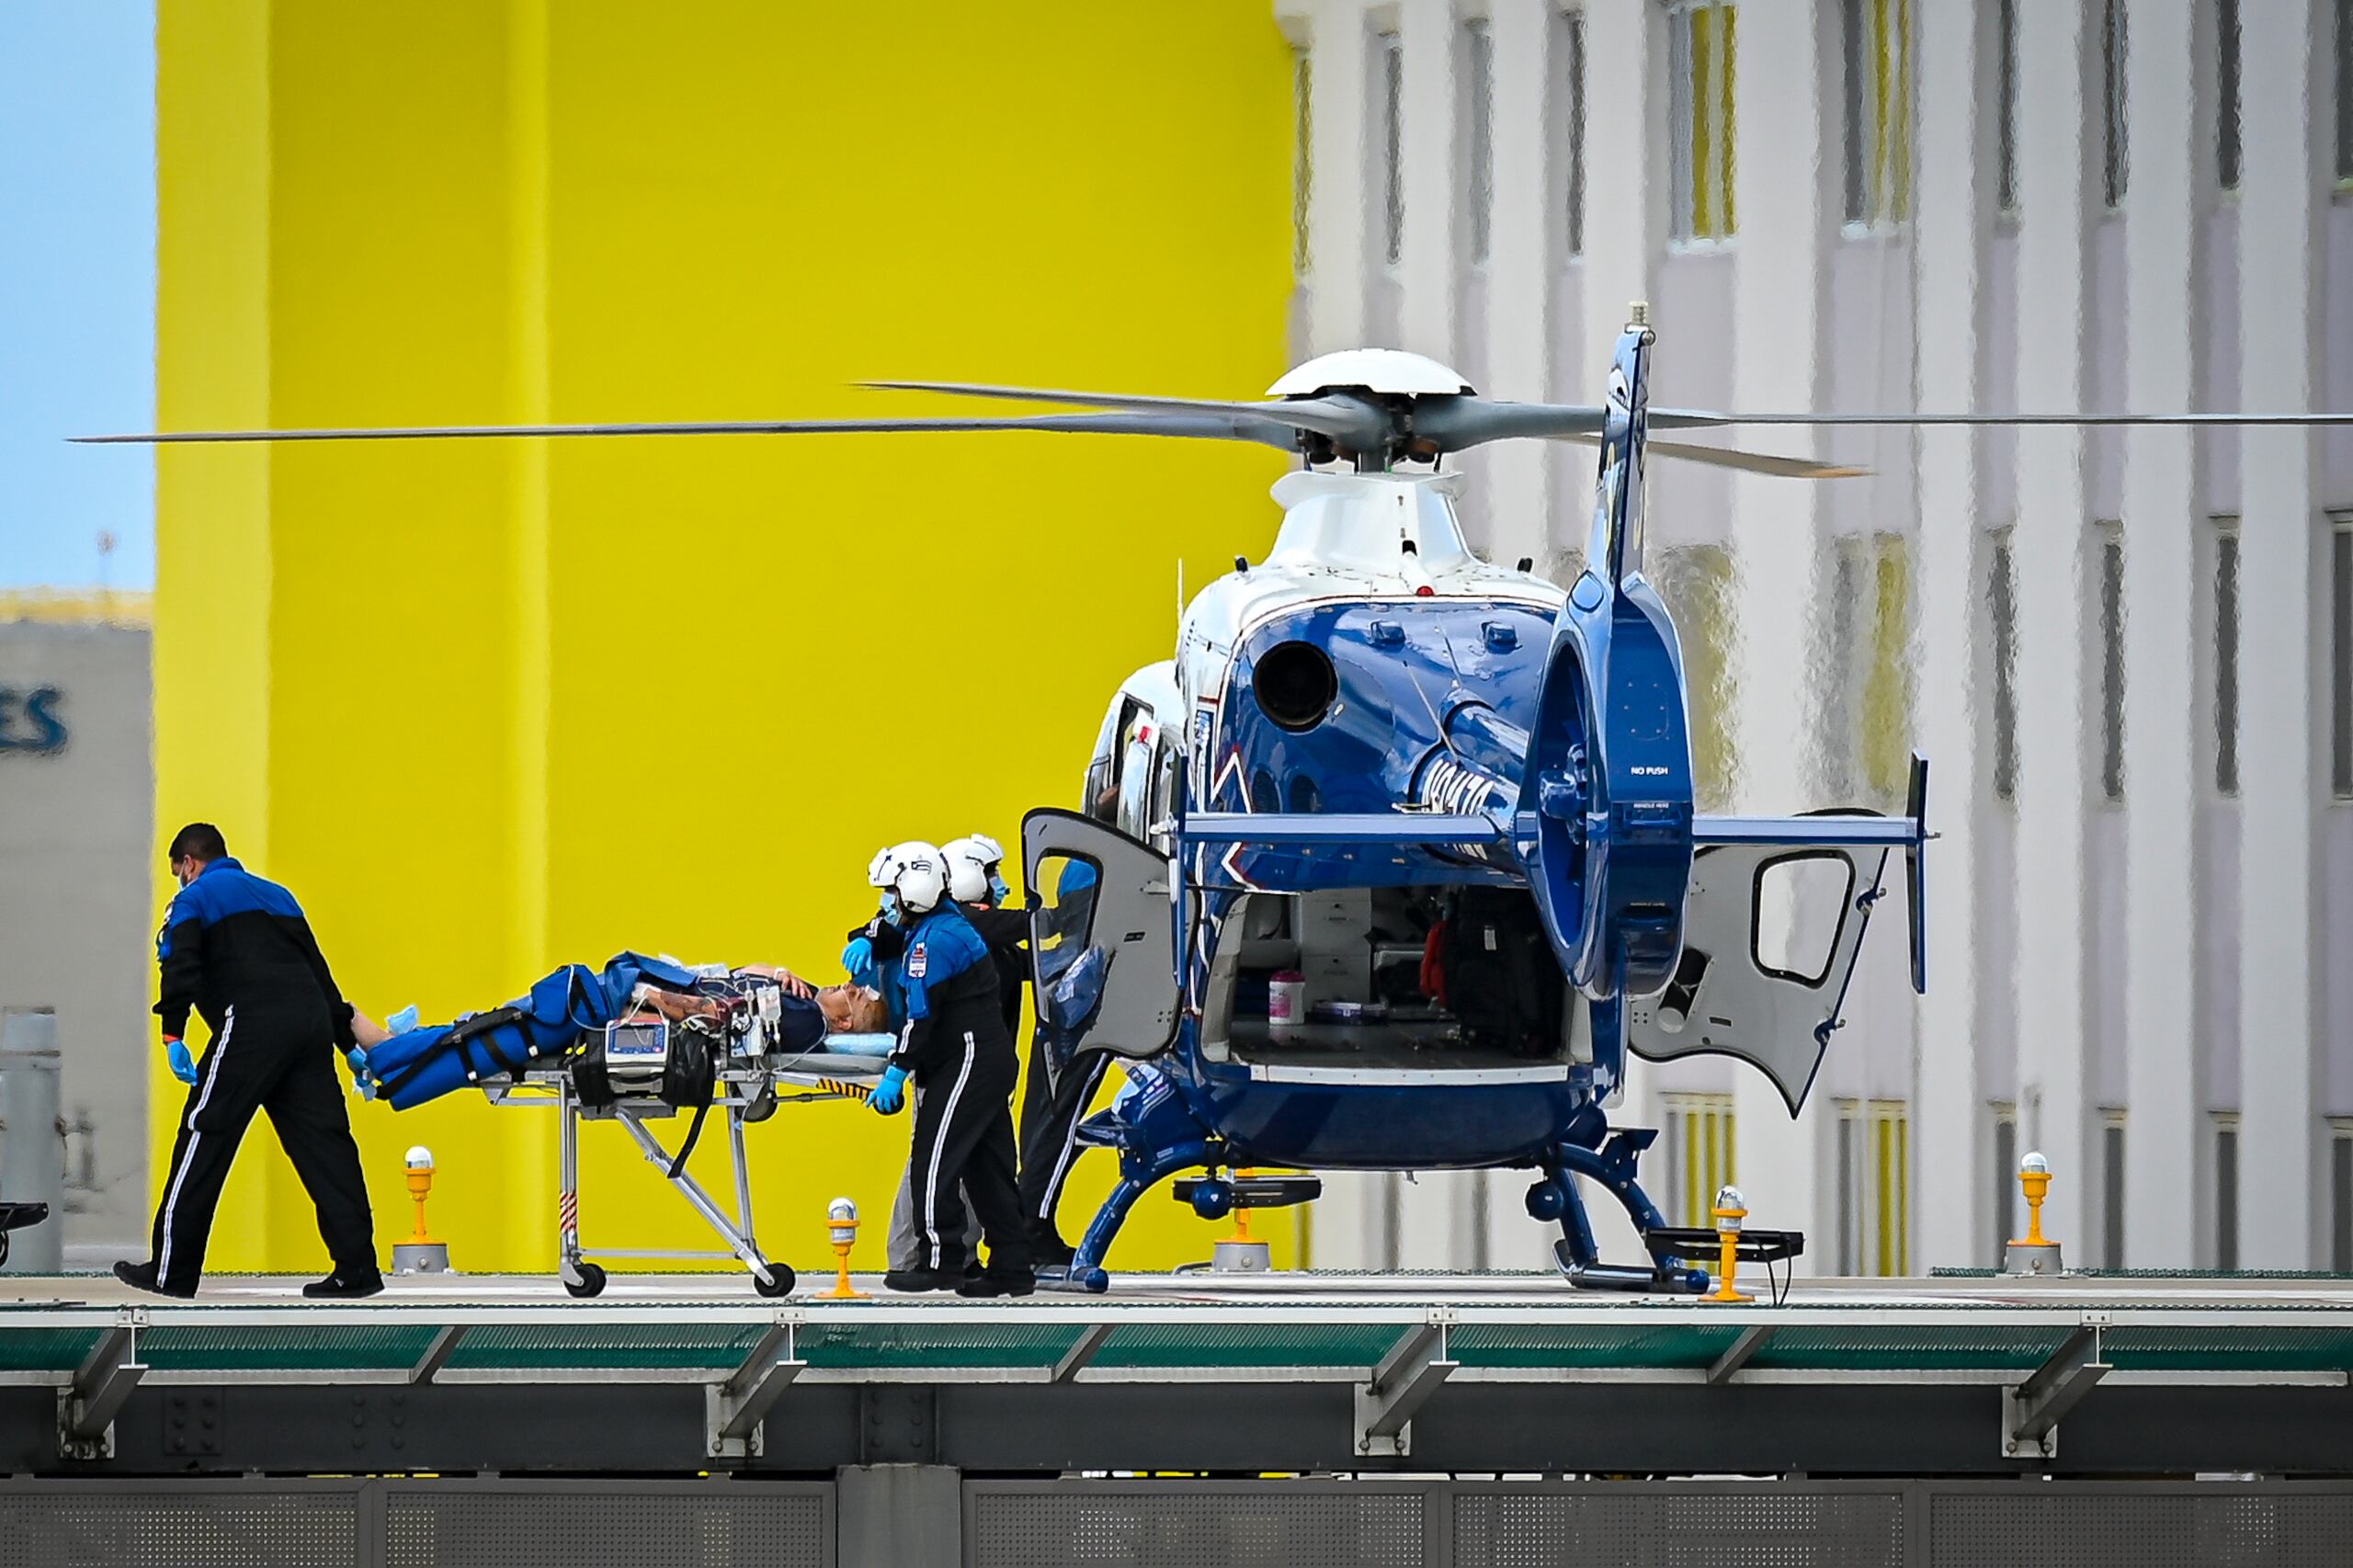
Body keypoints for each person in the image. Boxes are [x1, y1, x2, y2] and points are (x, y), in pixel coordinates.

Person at [116, 824, 381, 1300]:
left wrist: (173, 1032)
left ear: (189, 864)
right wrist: (347, 1044)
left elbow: (179, 963)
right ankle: (357, 1270)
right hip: (309, 1024)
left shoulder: (194, 899)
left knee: (204, 1134)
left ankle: (171, 1272)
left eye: (178, 870)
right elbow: (321, 977)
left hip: (252, 1025)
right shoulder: (280, 896)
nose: (179, 877)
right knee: (328, 1150)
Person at [864, 841, 1031, 1296]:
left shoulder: (931, 945)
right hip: (986, 1059)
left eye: (892, 894)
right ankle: (1012, 1266)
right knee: (987, 1167)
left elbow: (921, 1020)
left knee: (934, 1161)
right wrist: (867, 935)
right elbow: (886, 935)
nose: (889, 904)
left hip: (966, 1060)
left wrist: (898, 1071)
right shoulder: (948, 928)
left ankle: (940, 1261)